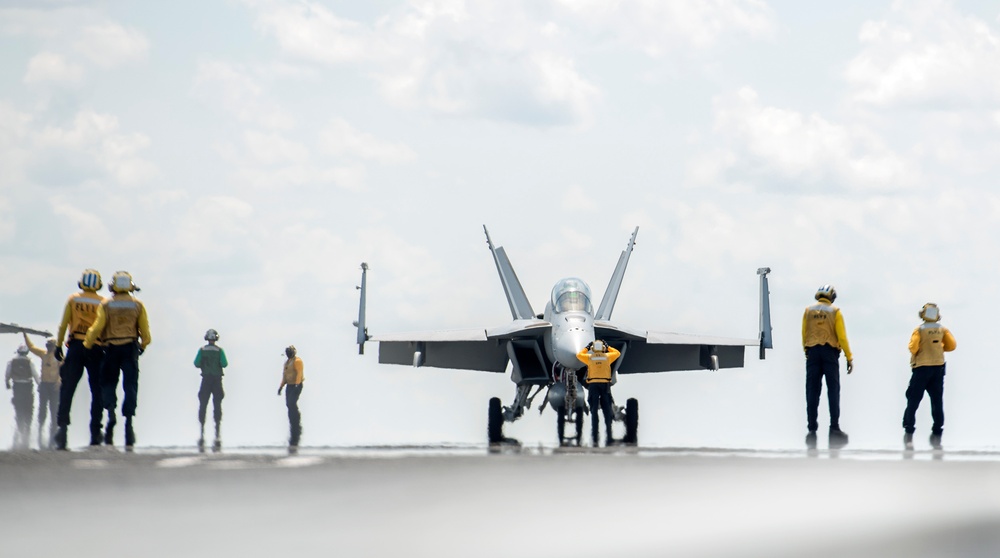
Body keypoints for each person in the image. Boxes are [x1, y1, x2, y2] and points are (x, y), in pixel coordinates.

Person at [83, 271, 151, 451]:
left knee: (107, 383)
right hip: (130, 349)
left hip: (111, 348)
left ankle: (111, 412)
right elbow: (145, 332)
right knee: (130, 386)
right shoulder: (137, 305)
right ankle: (128, 425)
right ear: (130, 286)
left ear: (113, 286)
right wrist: (143, 345)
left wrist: (87, 344)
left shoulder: (106, 304)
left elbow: (97, 327)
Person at [54, 269, 106, 450]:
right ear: (98, 285)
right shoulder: (103, 302)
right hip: (96, 348)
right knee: (97, 391)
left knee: (67, 389)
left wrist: (58, 345)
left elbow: (62, 325)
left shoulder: (73, 299)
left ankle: (62, 429)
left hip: (75, 346)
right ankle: (96, 431)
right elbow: (104, 327)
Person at [802, 285, 853, 448]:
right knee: (833, 391)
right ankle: (834, 429)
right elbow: (842, 336)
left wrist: (807, 350)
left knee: (812, 391)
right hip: (830, 354)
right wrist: (849, 356)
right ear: (832, 296)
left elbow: (804, 333)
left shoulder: (808, 311)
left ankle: (811, 431)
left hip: (813, 353)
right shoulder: (835, 311)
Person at [903, 303, 956, 451]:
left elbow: (913, 347)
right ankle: (937, 432)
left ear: (923, 314)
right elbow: (952, 346)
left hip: (921, 369)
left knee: (913, 400)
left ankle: (908, 431)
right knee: (937, 401)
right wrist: (939, 347)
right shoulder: (942, 329)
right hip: (938, 368)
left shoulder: (919, 330)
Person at [577, 340, 621, 446]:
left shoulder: (590, 358)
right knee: (607, 410)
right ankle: (609, 436)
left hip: (593, 386)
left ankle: (595, 436)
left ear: (593, 349)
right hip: (605, 386)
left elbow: (579, 355)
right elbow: (617, 353)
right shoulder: (607, 357)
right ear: (603, 348)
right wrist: (608, 346)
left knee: (594, 410)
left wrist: (587, 347)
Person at [23, 332, 62, 449]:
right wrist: (25, 335)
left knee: (54, 413)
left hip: (54, 387)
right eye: (48, 346)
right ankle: (40, 436)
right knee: (42, 412)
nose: (49, 348)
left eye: (51, 346)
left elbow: (63, 371)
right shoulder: (43, 354)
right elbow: (31, 347)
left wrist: (60, 381)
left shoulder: (59, 357)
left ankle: (52, 440)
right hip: (44, 386)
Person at [193, 329, 228, 452]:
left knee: (203, 404)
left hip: (206, 380)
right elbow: (224, 364)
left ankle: (202, 431)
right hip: (217, 380)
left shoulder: (202, 350)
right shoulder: (220, 351)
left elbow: (196, 363)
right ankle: (217, 432)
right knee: (217, 405)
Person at [6, 345, 40, 449]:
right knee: (29, 411)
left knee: (19, 411)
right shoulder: (29, 361)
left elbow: (7, 374)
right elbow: (35, 375)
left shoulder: (12, 361)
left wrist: (7, 383)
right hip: (28, 388)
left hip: (17, 388)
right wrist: (40, 386)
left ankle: (19, 433)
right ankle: (27, 435)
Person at [277, 345, 303, 454]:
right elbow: (284, 376)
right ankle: (292, 421)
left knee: (292, 403)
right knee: (288, 404)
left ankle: (296, 422)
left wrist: (297, 384)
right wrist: (281, 387)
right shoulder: (287, 363)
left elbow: (299, 373)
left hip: (296, 385)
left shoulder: (297, 361)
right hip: (289, 385)